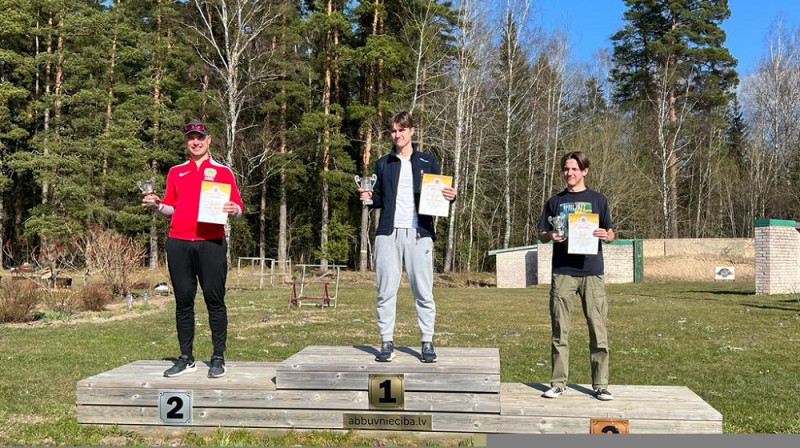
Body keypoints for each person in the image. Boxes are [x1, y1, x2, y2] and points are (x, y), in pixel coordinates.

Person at [142, 119, 244, 378]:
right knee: (183, 301)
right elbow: (170, 207)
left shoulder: (223, 172)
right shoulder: (176, 171)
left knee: (214, 300)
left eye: (200, 137)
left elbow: (238, 209)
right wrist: (156, 206)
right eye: (190, 137)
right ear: (186, 141)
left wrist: (235, 210)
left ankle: (218, 356)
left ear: (209, 140)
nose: (195, 142)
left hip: (211, 243)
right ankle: (186, 358)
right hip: (179, 244)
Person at [359, 111, 456, 363]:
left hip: (419, 234)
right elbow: (377, 198)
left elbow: (439, 194)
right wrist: (368, 198)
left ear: (412, 131)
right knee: (385, 291)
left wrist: (449, 196)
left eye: (402, 130)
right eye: (393, 131)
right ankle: (386, 342)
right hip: (387, 235)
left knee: (423, 291)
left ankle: (427, 342)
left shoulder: (427, 161)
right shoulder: (383, 163)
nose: (397, 135)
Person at [537, 151, 615, 401]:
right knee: (560, 330)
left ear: (584, 171)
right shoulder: (554, 201)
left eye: (573, 169)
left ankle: (600, 384)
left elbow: (611, 232)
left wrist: (607, 236)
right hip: (563, 273)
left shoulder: (599, 200)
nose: (569, 173)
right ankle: (559, 383)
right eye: (565, 169)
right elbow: (542, 233)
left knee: (598, 329)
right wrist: (550, 236)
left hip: (592, 272)